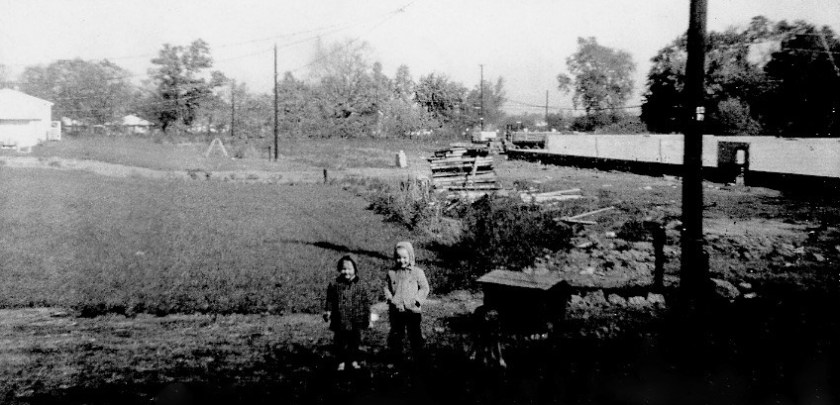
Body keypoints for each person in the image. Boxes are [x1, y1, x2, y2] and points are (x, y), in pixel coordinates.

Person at [383, 241, 430, 365]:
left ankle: (419, 358)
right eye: (398, 257)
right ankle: (396, 358)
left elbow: (425, 288)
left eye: (405, 257)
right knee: (396, 334)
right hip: (396, 310)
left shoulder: (417, 272)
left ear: (410, 257)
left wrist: (418, 300)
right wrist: (389, 298)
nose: (401, 260)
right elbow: (386, 287)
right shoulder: (392, 273)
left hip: (412, 311)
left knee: (414, 334)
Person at [324, 254, 371, 371]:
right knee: (340, 341)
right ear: (340, 269)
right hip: (339, 319)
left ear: (355, 269)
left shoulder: (360, 285)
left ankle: (353, 360)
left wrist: (367, 318)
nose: (346, 272)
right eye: (343, 269)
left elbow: (365, 303)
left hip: (355, 319)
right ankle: (341, 361)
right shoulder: (335, 284)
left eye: (349, 269)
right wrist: (328, 311)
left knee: (354, 341)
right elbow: (330, 300)